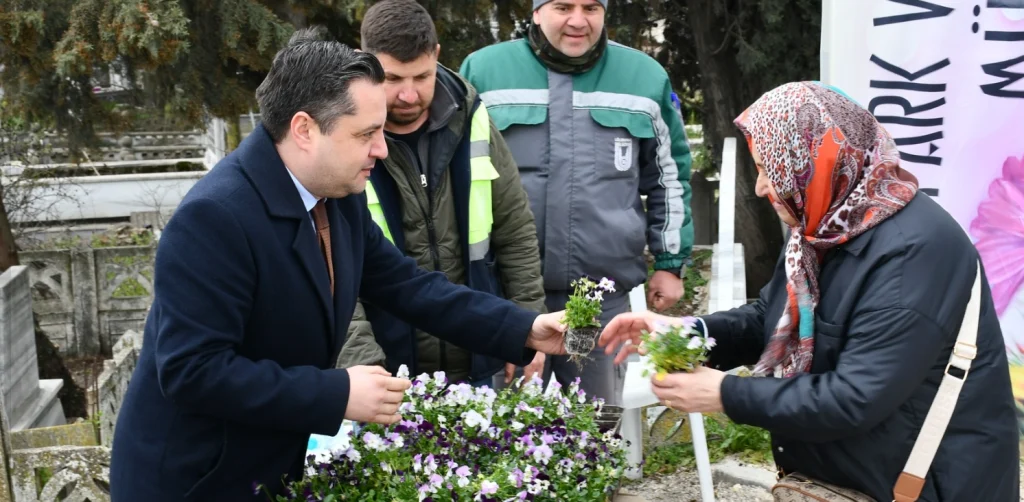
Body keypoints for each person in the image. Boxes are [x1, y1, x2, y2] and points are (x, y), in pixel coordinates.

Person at [109, 28, 567, 502]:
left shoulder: (337, 194)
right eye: (367, 134)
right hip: (194, 480)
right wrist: (337, 393)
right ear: (305, 129)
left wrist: (525, 328)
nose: (382, 149)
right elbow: (192, 371)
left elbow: (408, 287)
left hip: (263, 467)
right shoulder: (215, 218)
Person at [599, 82, 1020, 501]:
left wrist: (726, 394)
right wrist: (684, 335)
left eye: (771, 168)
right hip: (855, 479)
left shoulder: (916, 253)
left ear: (815, 165)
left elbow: (856, 397)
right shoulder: (821, 226)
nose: (762, 187)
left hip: (930, 485)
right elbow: (770, 314)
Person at [459, 0, 694, 404]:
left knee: (593, 420)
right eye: (562, 7)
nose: (578, 21)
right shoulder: (484, 72)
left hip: (593, 303)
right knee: (505, 424)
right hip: (507, 297)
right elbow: (454, 174)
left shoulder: (642, 77)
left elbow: (669, 175)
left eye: (590, 7)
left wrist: (670, 262)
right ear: (536, 12)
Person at [336, 0, 547, 387]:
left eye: (421, 77)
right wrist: (362, 363)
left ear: (436, 56)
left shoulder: (474, 120)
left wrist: (524, 327)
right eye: (394, 79)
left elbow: (515, 231)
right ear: (365, 61)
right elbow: (332, 268)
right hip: (385, 371)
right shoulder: (339, 134)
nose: (409, 95)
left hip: (480, 360)